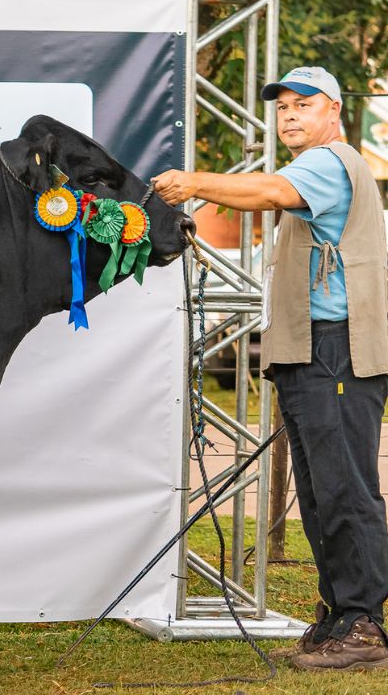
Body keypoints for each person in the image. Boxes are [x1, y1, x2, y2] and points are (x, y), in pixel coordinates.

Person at [152, 66, 388, 672]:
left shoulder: (329, 162)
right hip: (312, 351)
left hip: (338, 349)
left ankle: (362, 627)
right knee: (318, 493)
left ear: (333, 111)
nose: (288, 115)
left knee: (345, 491)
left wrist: (191, 183)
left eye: (302, 104)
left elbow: (267, 193)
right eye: (282, 106)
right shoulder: (319, 163)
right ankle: (338, 618)